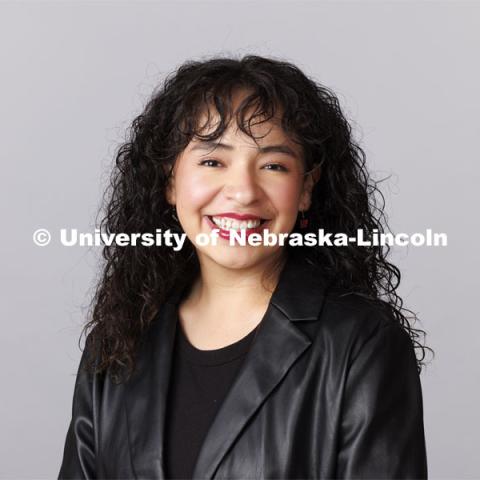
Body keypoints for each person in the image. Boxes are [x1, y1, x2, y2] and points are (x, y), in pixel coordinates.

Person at [58, 55, 429, 479]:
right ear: (170, 180)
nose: (242, 192)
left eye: (273, 165)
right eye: (213, 161)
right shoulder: (119, 342)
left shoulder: (361, 343)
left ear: (306, 188)